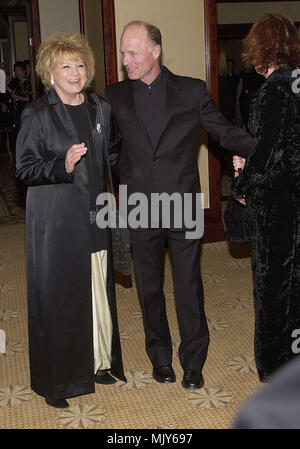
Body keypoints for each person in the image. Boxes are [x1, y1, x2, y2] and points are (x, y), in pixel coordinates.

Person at [105, 21, 255, 390]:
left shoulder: (191, 90)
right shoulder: (115, 94)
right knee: (149, 287)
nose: (126, 60)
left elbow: (222, 130)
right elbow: (109, 149)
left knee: (188, 283)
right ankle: (160, 357)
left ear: (155, 51)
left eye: (133, 52)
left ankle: (193, 360)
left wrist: (263, 150)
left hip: (183, 201)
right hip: (139, 203)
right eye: (124, 52)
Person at [15, 31, 126, 409]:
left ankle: (97, 362)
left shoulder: (99, 108)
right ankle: (57, 381)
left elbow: (114, 156)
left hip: (95, 213)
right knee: (59, 298)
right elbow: (25, 169)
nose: (74, 72)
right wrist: (61, 165)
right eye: (65, 66)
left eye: (79, 64)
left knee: (96, 288)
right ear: (50, 72)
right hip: (56, 221)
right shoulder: (36, 113)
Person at [232, 13, 300, 383]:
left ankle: (274, 367)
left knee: (271, 286)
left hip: (277, 205)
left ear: (261, 47)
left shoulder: (272, 91)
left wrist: (240, 183)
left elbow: (266, 155)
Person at [236, 61, 264, 129]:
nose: (248, 64)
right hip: (244, 99)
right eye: (246, 62)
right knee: (244, 118)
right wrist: (237, 100)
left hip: (253, 99)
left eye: (249, 62)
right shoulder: (242, 74)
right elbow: (240, 86)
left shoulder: (256, 74)